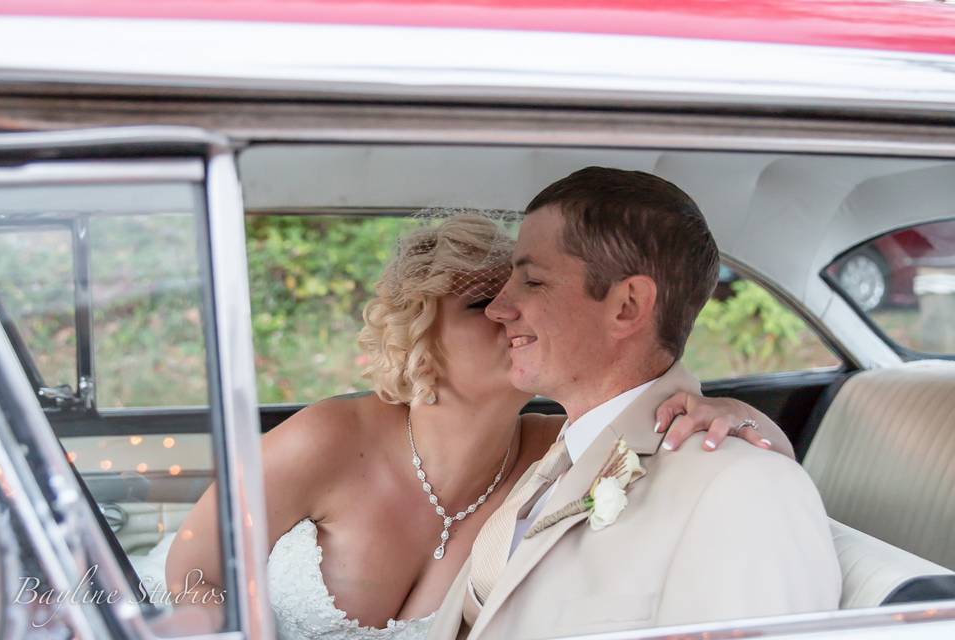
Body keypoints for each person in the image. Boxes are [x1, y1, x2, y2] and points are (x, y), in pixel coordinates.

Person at [164, 211, 797, 639]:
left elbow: (721, 446)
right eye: (479, 303)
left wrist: (735, 413)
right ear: (416, 329)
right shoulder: (328, 438)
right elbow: (196, 573)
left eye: (529, 295)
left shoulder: (562, 450)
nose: (510, 313)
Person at [427, 169, 841, 640]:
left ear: (627, 305)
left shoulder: (746, 486)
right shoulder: (555, 458)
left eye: (533, 282)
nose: (500, 309)